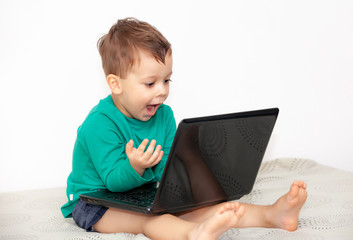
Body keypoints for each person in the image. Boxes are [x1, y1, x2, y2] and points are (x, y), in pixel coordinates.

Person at [61, 17, 308, 240]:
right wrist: (135, 165)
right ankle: (193, 234)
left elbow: (166, 169)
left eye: (167, 80)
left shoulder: (164, 115)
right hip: (94, 201)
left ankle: (272, 215)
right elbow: (113, 181)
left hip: (141, 194)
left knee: (202, 208)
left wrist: (195, 186)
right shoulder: (98, 124)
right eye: (150, 83)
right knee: (150, 221)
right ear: (115, 84)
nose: (162, 91)